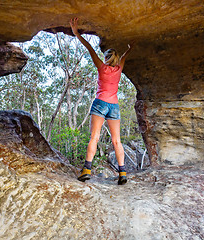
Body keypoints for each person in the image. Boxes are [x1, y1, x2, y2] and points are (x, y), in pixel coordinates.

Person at [70, 17, 134, 185]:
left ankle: (86, 170)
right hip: (114, 106)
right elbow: (125, 56)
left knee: (94, 137)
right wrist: (130, 49)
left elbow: (89, 48)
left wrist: (76, 33)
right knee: (117, 140)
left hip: (100, 103)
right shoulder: (119, 68)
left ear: (106, 58)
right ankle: (122, 173)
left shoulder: (101, 67)